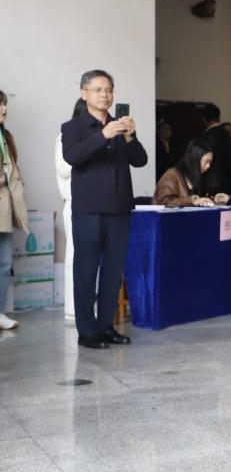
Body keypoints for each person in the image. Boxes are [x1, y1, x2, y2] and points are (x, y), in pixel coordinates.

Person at [61, 70, 148, 349]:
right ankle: (87, 332)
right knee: (86, 271)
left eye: (109, 90)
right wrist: (103, 135)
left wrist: (130, 136)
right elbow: (73, 156)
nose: (105, 95)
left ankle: (105, 326)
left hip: (119, 209)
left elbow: (141, 160)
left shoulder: (120, 126)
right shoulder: (72, 127)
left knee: (113, 271)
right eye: (98, 89)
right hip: (88, 210)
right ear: (84, 93)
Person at [0, 90, 28, 332]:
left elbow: (14, 169)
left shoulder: (6, 136)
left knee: (4, 262)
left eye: (4, 104)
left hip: (5, 209)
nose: (4, 109)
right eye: (0, 105)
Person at [55, 101, 82, 323]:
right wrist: (87, 152)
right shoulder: (65, 135)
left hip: (95, 202)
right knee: (74, 256)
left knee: (93, 257)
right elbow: (63, 168)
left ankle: (89, 306)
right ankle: (72, 310)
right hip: (74, 202)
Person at [153, 137, 228, 207]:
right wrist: (192, 201)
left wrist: (214, 199)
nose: (209, 166)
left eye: (210, 162)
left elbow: (201, 199)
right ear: (195, 160)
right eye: (206, 162)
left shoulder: (201, 176)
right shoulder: (172, 175)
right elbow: (164, 203)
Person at [201, 104, 231, 196]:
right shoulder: (227, 135)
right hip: (230, 182)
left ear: (204, 120)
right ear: (219, 118)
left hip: (212, 184)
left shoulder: (208, 136)